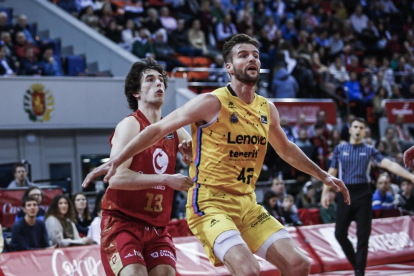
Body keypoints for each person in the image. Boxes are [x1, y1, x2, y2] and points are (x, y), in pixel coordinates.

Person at [83, 34, 350, 276]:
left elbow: (286, 148)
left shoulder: (267, 108)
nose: (252, 58)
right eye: (243, 55)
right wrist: (116, 161)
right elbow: (157, 130)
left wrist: (323, 174)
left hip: (244, 203)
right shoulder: (210, 102)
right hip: (208, 203)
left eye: (255, 54)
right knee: (248, 269)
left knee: (299, 265)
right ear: (229, 67)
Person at [83, 58, 193, 276]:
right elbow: (116, 178)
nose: (158, 84)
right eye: (150, 80)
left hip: (157, 227)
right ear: (136, 92)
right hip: (122, 222)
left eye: (161, 80)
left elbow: (201, 165)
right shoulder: (130, 124)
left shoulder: (175, 129)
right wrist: (165, 179)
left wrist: (191, 160)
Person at [321, 117, 414, 276]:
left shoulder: (370, 149)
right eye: (355, 127)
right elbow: (331, 173)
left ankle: (359, 272)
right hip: (345, 193)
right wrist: (324, 193)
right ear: (350, 130)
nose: (358, 130)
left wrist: (410, 177)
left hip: (363, 194)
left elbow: (388, 164)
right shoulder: (339, 149)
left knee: (363, 236)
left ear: (364, 131)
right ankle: (357, 265)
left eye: (361, 128)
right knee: (339, 233)